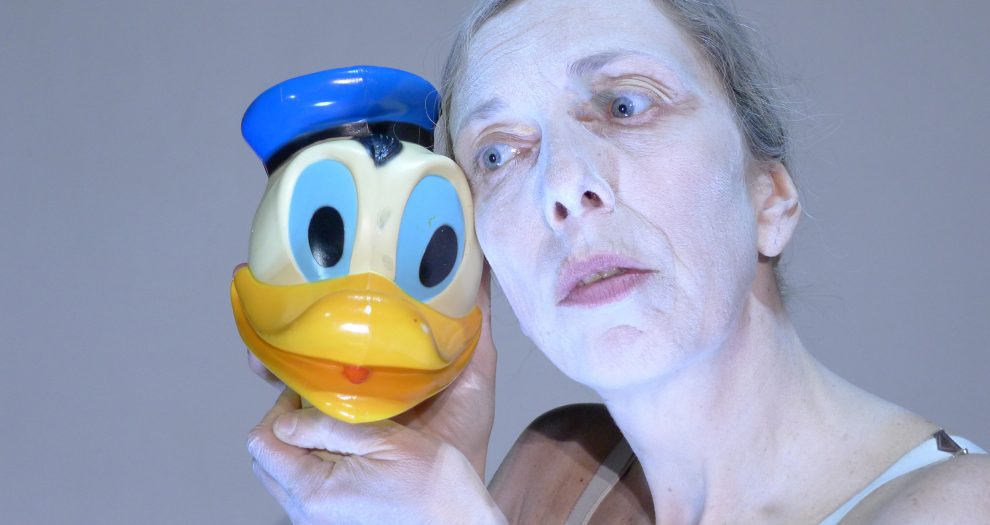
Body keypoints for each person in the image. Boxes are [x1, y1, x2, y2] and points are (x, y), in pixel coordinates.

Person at [246, 0, 990, 523]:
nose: (563, 185)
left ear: (770, 196)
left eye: (625, 106)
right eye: (498, 154)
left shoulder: (958, 506)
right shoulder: (554, 474)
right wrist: (396, 456)